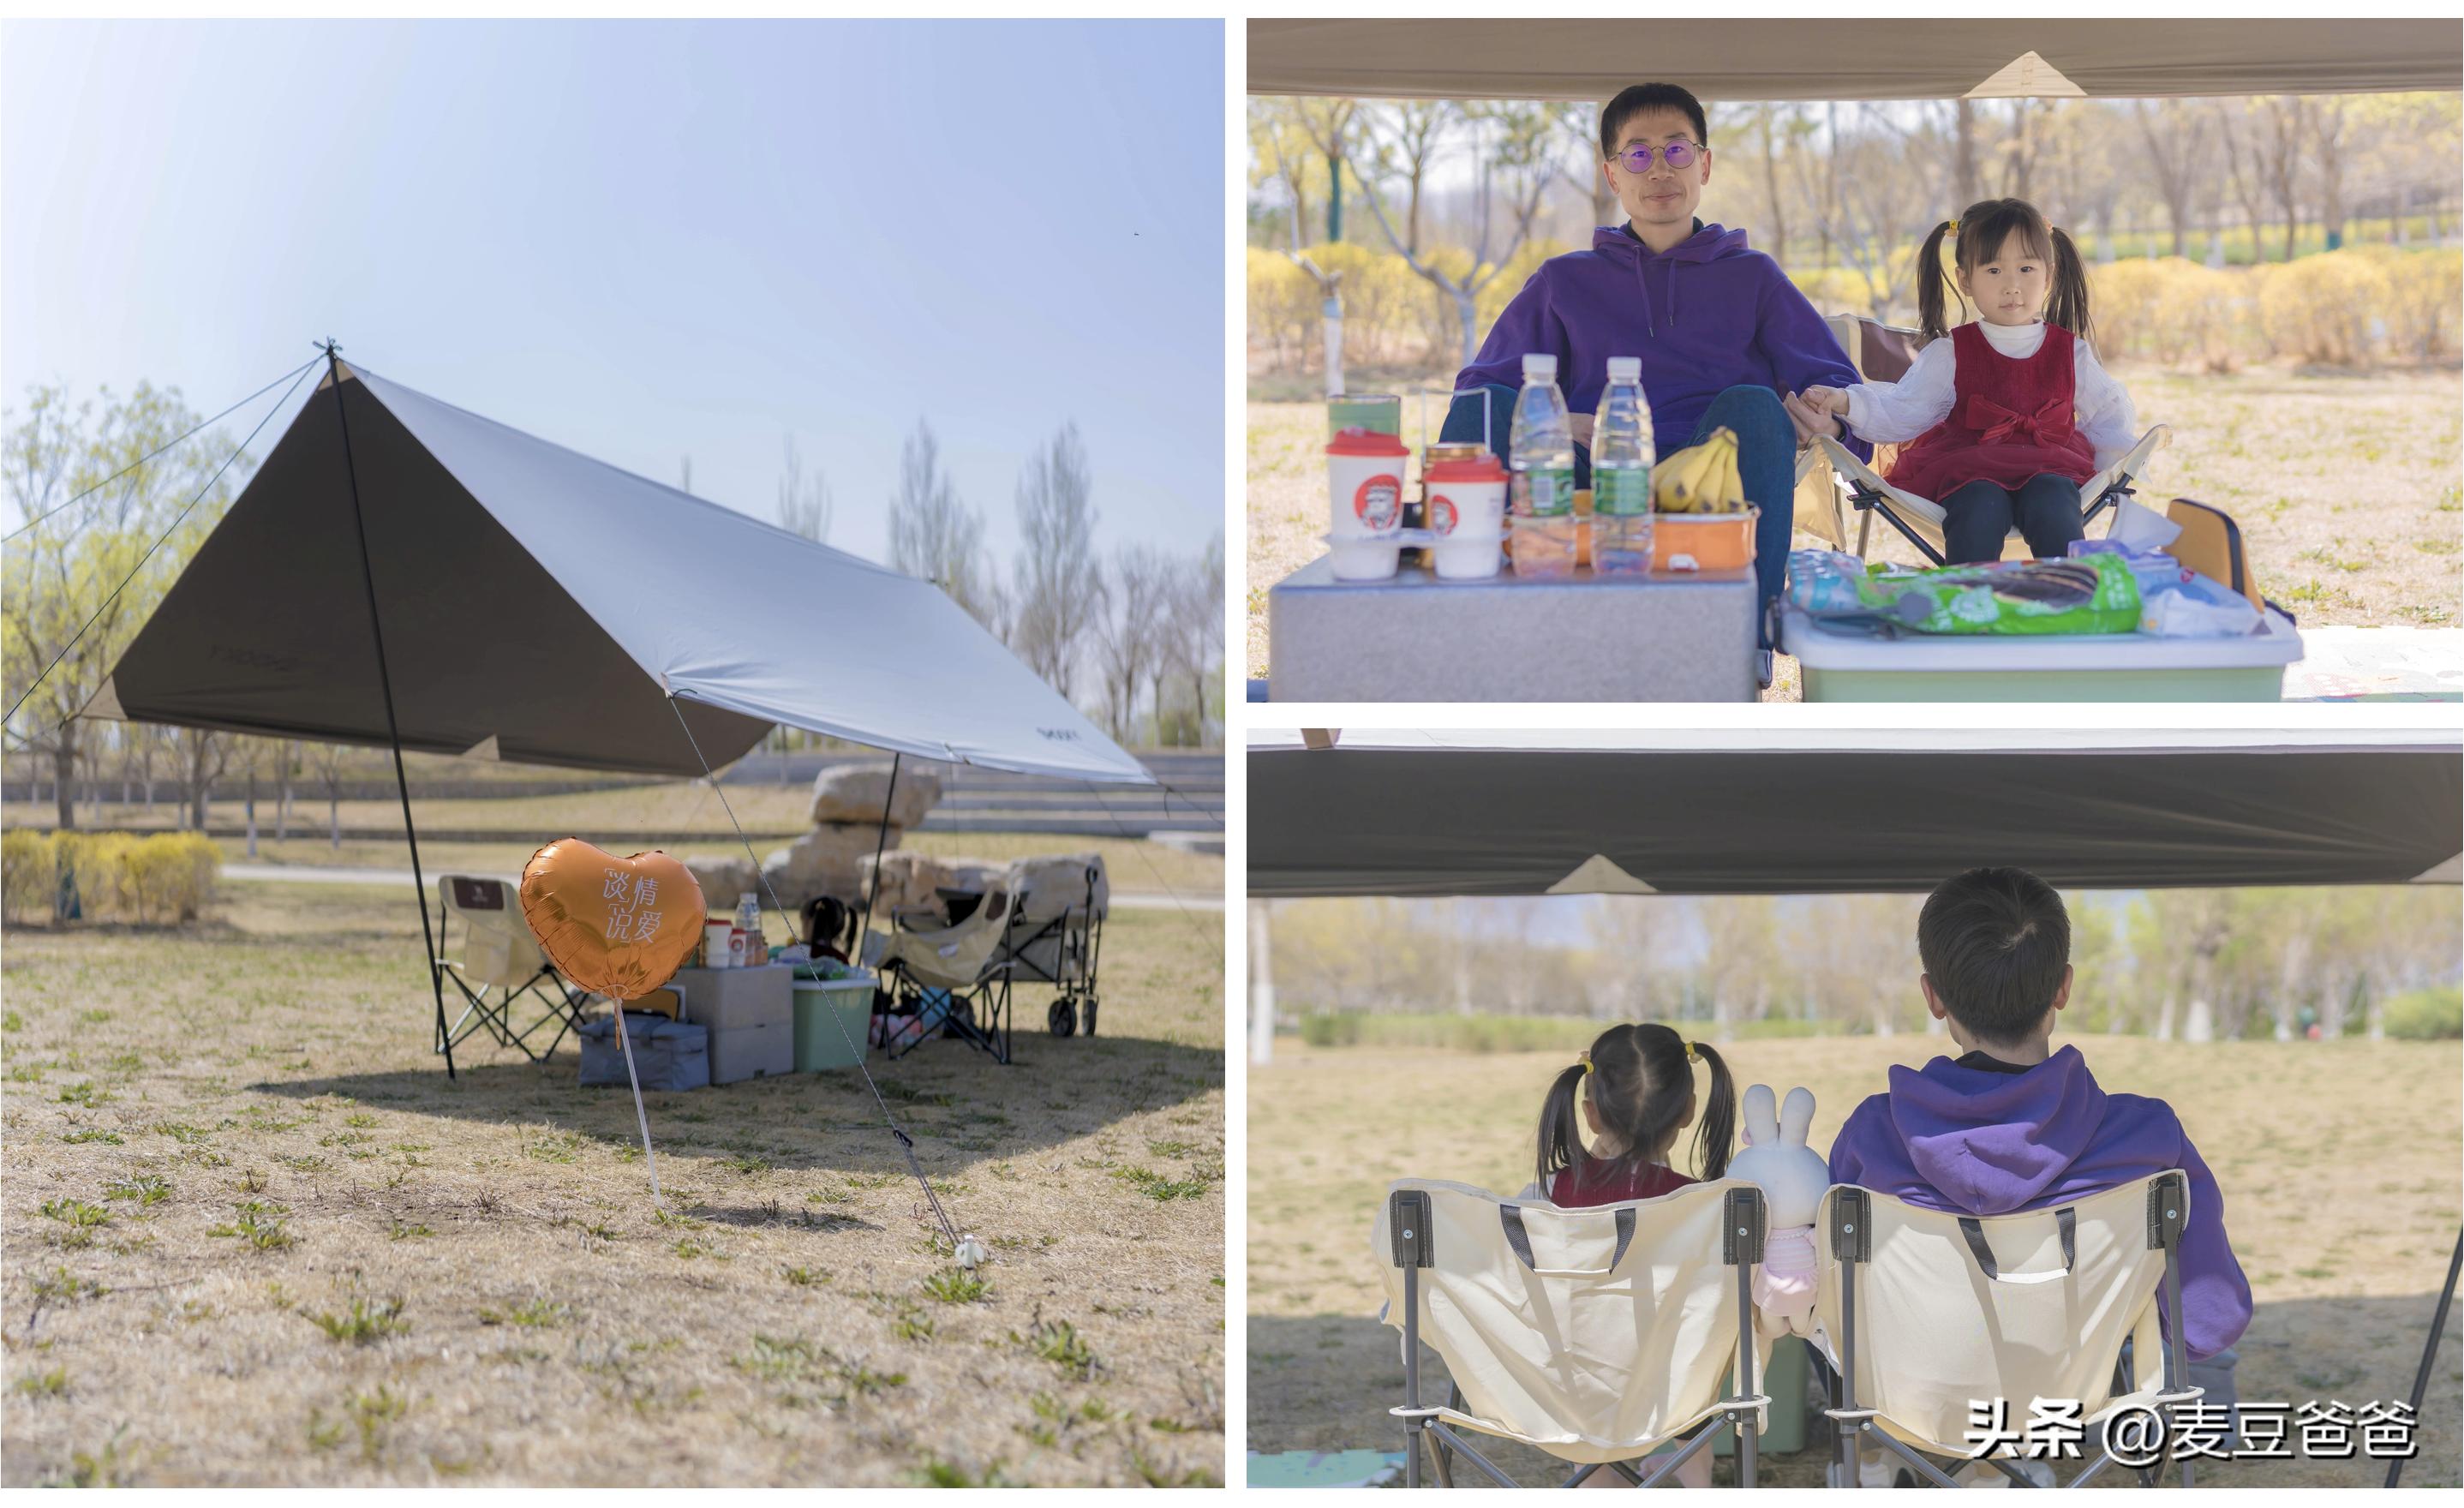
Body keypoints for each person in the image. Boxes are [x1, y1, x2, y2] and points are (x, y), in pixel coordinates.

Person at [1826, 867, 2249, 1484]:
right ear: (2063, 988)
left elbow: (1831, 1300)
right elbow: (2209, 1318)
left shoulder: (1871, 1135)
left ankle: (1900, 1459)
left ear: (1933, 996)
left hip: (1906, 1400)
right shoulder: (2148, 1137)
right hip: (2068, 1401)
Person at [1440, 81, 1869, 684]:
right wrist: (1556, 423)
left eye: (1677, 150)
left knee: (1754, 404)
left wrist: (1830, 415)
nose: (1659, 169)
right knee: (1485, 407)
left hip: (1713, 479)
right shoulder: (1565, 280)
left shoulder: (1753, 275)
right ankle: (1474, 633)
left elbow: (1836, 385)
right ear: (1613, 175)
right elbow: (1483, 390)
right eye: (1637, 154)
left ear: (1706, 164)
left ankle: (1743, 648)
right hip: (1591, 472)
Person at [1797, 198, 2138, 565]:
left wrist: (2111, 468)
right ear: (1965, 280)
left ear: (2049, 276)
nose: (2011, 286)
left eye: (2026, 268)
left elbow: (2108, 412)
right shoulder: (1953, 352)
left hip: (2052, 466)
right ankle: (1968, 603)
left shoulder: (2071, 353)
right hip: (1970, 468)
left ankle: (2067, 595)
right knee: (1977, 508)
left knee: (2055, 501)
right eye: (1993, 271)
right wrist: (1845, 401)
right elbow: (1905, 407)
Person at [1520, 1022, 1738, 1488]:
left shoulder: (1545, 1196)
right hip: (1679, 1389)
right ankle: (1694, 1469)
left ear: (1590, 1115)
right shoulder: (1702, 1207)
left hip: (1575, 1388)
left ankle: (1599, 1478)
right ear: (1688, 1111)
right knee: (1704, 1329)